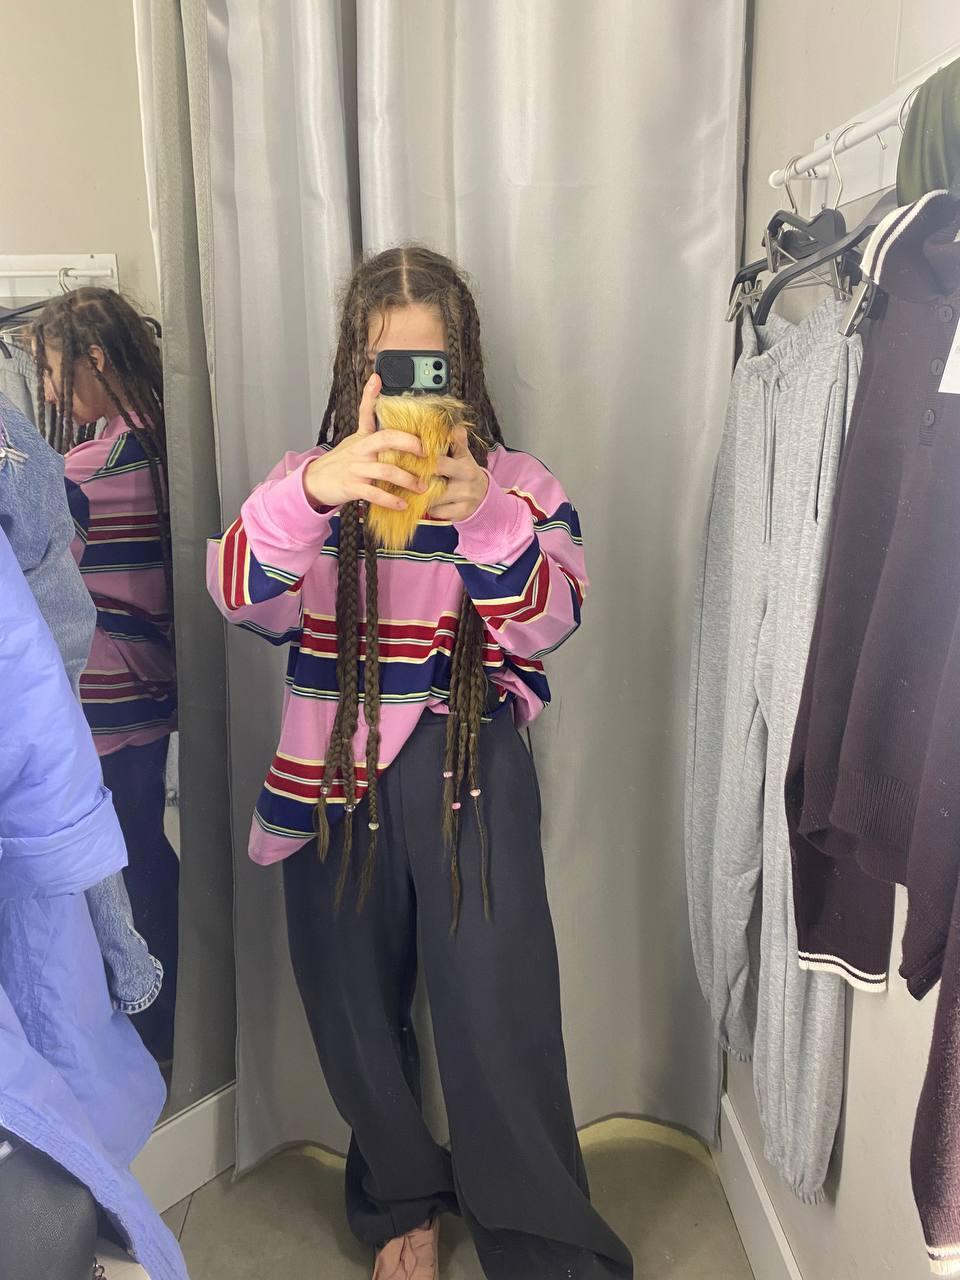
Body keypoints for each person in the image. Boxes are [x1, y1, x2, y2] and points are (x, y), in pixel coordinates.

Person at [208, 246, 632, 1279]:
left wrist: (483, 514)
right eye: (385, 368)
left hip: (466, 761)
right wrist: (314, 491)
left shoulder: (517, 486)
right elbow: (238, 597)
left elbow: (550, 622)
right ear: (353, 369)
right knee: (350, 1009)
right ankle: (402, 1199)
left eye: (426, 369)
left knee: (499, 1011)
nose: (406, 393)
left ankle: (544, 1247)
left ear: (464, 367)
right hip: (329, 766)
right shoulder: (306, 485)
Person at [0, 524, 188, 1280]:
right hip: (94, 732)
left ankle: (153, 1015)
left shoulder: (47, 472)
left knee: (139, 875)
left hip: (106, 724)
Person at [33, 288, 179, 1064]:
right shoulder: (177, 447)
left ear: (95, 358)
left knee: (123, 868)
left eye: (53, 370)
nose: (50, 392)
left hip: (109, 703)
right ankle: (177, 1016)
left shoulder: (87, 472)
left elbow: (38, 594)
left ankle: (154, 1028)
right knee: (147, 850)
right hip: (158, 693)